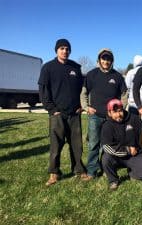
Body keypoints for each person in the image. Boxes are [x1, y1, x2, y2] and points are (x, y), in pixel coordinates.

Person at [38, 38, 87, 186]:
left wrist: (80, 106)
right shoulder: (48, 68)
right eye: (62, 48)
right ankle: (54, 173)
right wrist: (52, 109)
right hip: (57, 114)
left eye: (67, 49)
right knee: (56, 145)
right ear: (56, 50)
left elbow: (82, 89)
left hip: (74, 114)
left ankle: (79, 169)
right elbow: (43, 90)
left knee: (76, 144)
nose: (65, 51)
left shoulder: (75, 68)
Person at [80, 49, 127, 180]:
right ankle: (91, 171)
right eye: (103, 58)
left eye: (108, 59)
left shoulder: (117, 76)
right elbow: (83, 92)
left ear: (112, 61)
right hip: (95, 116)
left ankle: (107, 168)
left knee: (109, 144)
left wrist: (119, 111)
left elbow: (124, 94)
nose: (106, 61)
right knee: (94, 144)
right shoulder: (91, 74)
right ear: (99, 60)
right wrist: (86, 107)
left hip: (110, 118)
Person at [101, 99, 142, 190]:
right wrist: (127, 150)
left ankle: (132, 173)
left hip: (135, 155)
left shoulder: (134, 119)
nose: (118, 114)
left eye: (120, 111)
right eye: (115, 112)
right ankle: (113, 180)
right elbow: (107, 147)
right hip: (117, 156)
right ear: (109, 113)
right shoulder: (106, 126)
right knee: (106, 158)